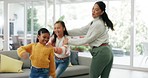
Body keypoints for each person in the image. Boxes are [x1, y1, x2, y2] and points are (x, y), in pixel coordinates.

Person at [64, 1, 114, 78]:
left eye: (96, 10)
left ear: (102, 12)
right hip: (108, 52)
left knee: (92, 76)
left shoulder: (98, 24)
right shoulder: (94, 22)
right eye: (93, 9)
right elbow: (81, 30)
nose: (93, 11)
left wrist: (69, 41)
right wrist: (65, 32)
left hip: (101, 52)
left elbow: (87, 40)